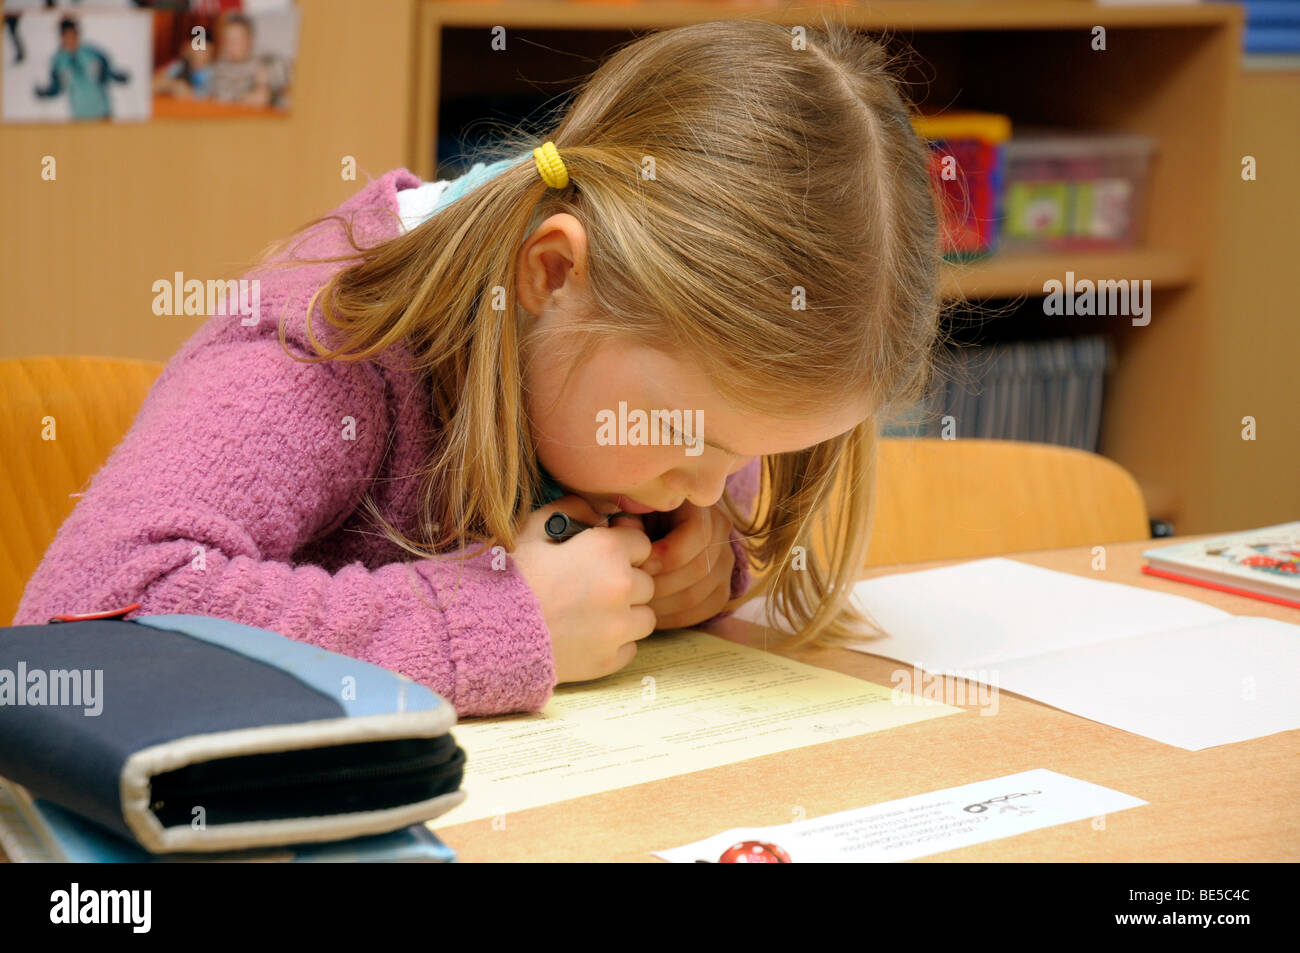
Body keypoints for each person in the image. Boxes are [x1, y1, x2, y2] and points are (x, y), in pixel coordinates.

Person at [16, 21, 942, 717]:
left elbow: (691, 504)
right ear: (553, 274)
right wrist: (488, 621)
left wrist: (700, 568)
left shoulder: (644, 380)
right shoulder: (327, 347)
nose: (710, 486)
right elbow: (81, 628)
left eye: (750, 454)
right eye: (687, 440)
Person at [33, 16, 130, 120]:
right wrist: (45, 93)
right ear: (62, 37)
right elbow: (57, 87)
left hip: (102, 112)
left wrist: (118, 77)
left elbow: (107, 72)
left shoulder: (93, 53)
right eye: (67, 36)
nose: (71, 39)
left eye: (73, 35)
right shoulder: (58, 60)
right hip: (79, 115)